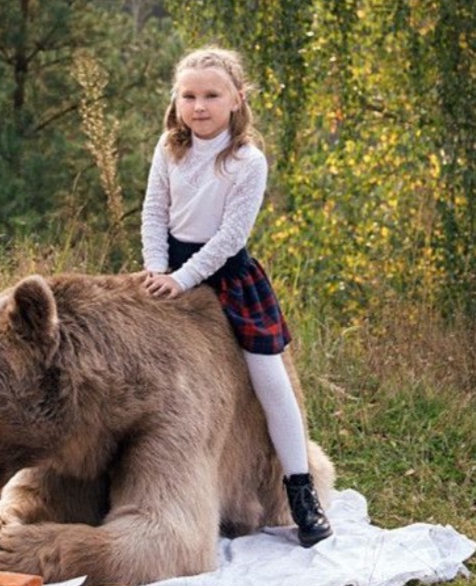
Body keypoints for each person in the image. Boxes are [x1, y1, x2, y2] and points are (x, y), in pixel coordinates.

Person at [140, 46, 332, 547]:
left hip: (225, 274)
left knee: (269, 379)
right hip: (167, 271)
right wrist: (159, 269)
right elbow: (153, 212)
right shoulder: (169, 147)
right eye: (188, 95)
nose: (198, 106)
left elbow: (229, 237)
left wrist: (184, 279)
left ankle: (300, 489)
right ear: (176, 100)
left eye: (211, 95)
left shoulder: (247, 161)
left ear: (236, 98)